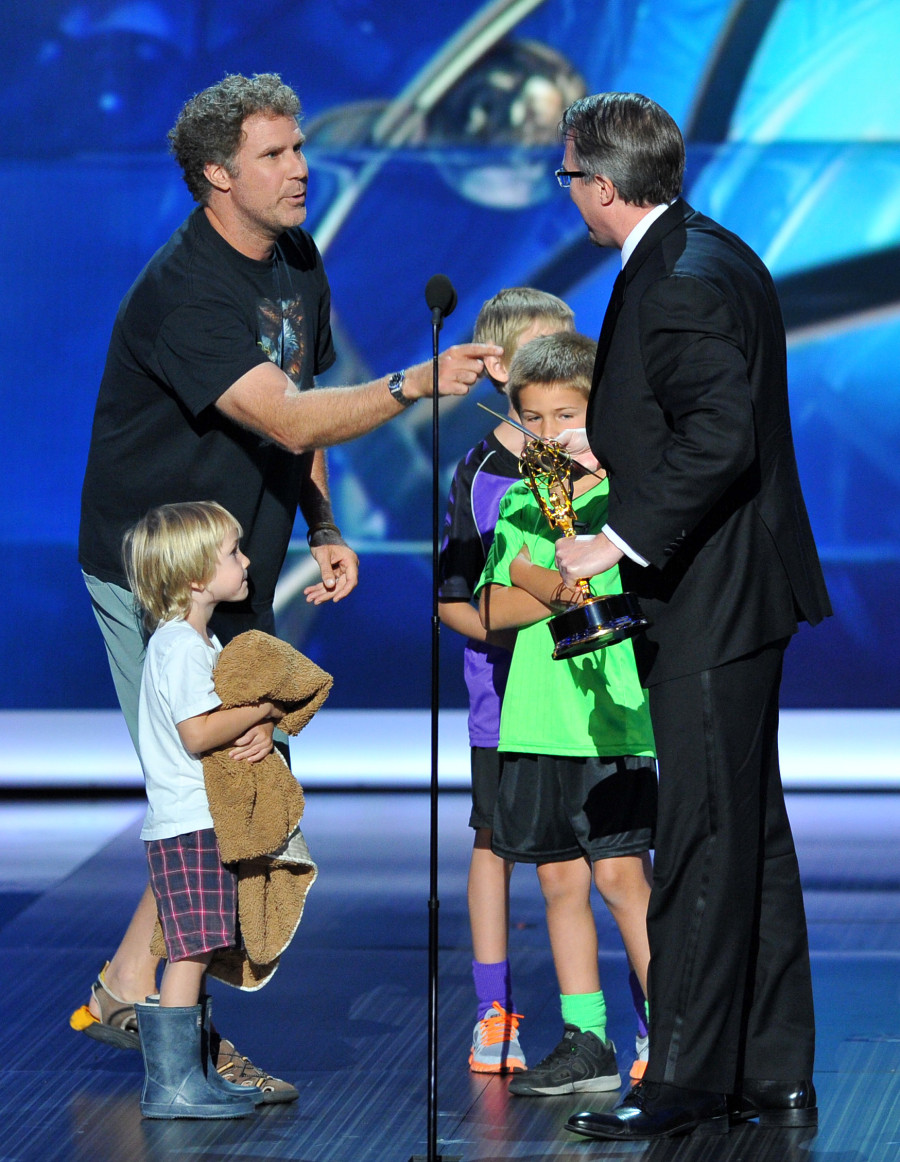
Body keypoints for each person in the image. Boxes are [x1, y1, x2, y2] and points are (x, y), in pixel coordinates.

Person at [71, 72, 500, 1100]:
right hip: (160, 578)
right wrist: (415, 383)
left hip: (240, 564)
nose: (302, 167)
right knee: (210, 795)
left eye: (300, 146)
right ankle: (179, 1038)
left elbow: (302, 406)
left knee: (239, 793)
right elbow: (292, 416)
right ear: (217, 175)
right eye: (275, 154)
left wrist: (323, 522)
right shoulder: (186, 291)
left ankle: (132, 990)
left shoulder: (297, 259)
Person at [551, 93, 832, 1140]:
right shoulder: (710, 249)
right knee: (748, 830)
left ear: (605, 185)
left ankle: (683, 1079)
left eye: (569, 177)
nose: (568, 193)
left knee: (704, 837)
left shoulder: (676, 279)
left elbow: (721, 438)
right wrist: (615, 443)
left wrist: (615, 539)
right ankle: (771, 1069)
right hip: (738, 590)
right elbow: (702, 409)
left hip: (713, 598)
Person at [476, 330, 657, 1098]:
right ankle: (588, 1039)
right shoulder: (521, 501)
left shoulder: (634, 502)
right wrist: (546, 583)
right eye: (534, 418)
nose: (552, 434)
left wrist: (556, 571)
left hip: (613, 720)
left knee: (622, 879)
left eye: (568, 415)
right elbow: (492, 607)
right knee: (558, 884)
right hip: (536, 720)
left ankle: (674, 1037)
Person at [438, 287, 574, 1075]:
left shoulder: (604, 457)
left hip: (591, 701)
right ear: (496, 369)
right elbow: (454, 599)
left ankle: (643, 1019)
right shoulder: (480, 471)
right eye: (536, 352)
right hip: (505, 704)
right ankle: (494, 1013)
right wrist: (526, 626)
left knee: (607, 858)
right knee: (496, 844)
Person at [122, 500, 287, 1119]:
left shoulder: (197, 641)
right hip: (190, 822)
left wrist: (258, 726)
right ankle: (171, 1085)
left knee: (200, 944)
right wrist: (266, 707)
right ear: (195, 577)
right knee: (189, 950)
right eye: (232, 553)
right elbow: (197, 733)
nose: (246, 562)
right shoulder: (181, 647)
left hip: (200, 820)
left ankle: (191, 1075)